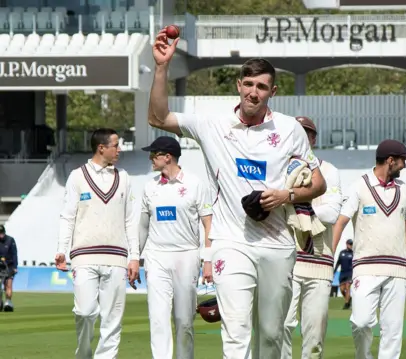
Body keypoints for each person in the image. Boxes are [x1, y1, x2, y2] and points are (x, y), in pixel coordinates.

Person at [147, 27, 327, 359]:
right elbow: (157, 117)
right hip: (231, 241)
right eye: (248, 84)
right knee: (236, 330)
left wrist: (284, 196)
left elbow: (319, 184)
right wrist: (161, 67)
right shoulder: (212, 125)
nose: (253, 92)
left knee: (273, 335)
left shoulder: (290, 130)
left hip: (277, 245)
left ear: (272, 91)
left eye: (261, 87)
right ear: (238, 86)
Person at [55, 128, 140, 359]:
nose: (119, 150)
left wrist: (135, 256)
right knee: (84, 312)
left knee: (112, 320)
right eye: (115, 145)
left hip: (117, 257)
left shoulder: (124, 177)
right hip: (84, 256)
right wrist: (61, 250)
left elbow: (131, 219)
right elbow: (68, 216)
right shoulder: (77, 176)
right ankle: (83, 354)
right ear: (101, 148)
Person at [332, 139, 406, 359]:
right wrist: (328, 256)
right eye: (402, 161)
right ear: (390, 161)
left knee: (392, 331)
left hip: (398, 268)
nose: (405, 166)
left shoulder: (404, 189)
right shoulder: (360, 185)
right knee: (360, 322)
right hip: (365, 267)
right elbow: (341, 222)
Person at [139, 136, 213, 359]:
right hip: (156, 256)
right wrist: (133, 257)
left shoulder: (195, 184)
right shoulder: (149, 186)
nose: (151, 158)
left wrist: (208, 260)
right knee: (158, 318)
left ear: (167, 157)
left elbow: (208, 224)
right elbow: (142, 227)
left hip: (187, 255)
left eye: (154, 154)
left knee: (184, 320)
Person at [281, 116, 342, 359]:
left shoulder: (329, 171)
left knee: (314, 337)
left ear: (313, 138)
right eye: (296, 132)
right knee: (280, 328)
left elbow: (331, 212)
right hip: (286, 261)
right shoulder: (277, 169)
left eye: (306, 133)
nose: (301, 138)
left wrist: (295, 202)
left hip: (319, 261)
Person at [0, 224, 18, 311]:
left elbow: (14, 254)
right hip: (0, 266)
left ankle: (8, 302)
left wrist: (15, 267)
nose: (1, 235)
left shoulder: (10, 240)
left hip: (9, 266)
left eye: (2, 233)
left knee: (8, 285)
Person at [333, 239, 354, 310]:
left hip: (350, 273)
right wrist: (334, 272)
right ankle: (348, 299)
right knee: (342, 289)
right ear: (347, 244)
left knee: (348, 288)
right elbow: (338, 262)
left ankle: (346, 304)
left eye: (351, 244)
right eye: (349, 244)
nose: (350, 246)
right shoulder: (342, 253)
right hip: (342, 273)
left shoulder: (353, 253)